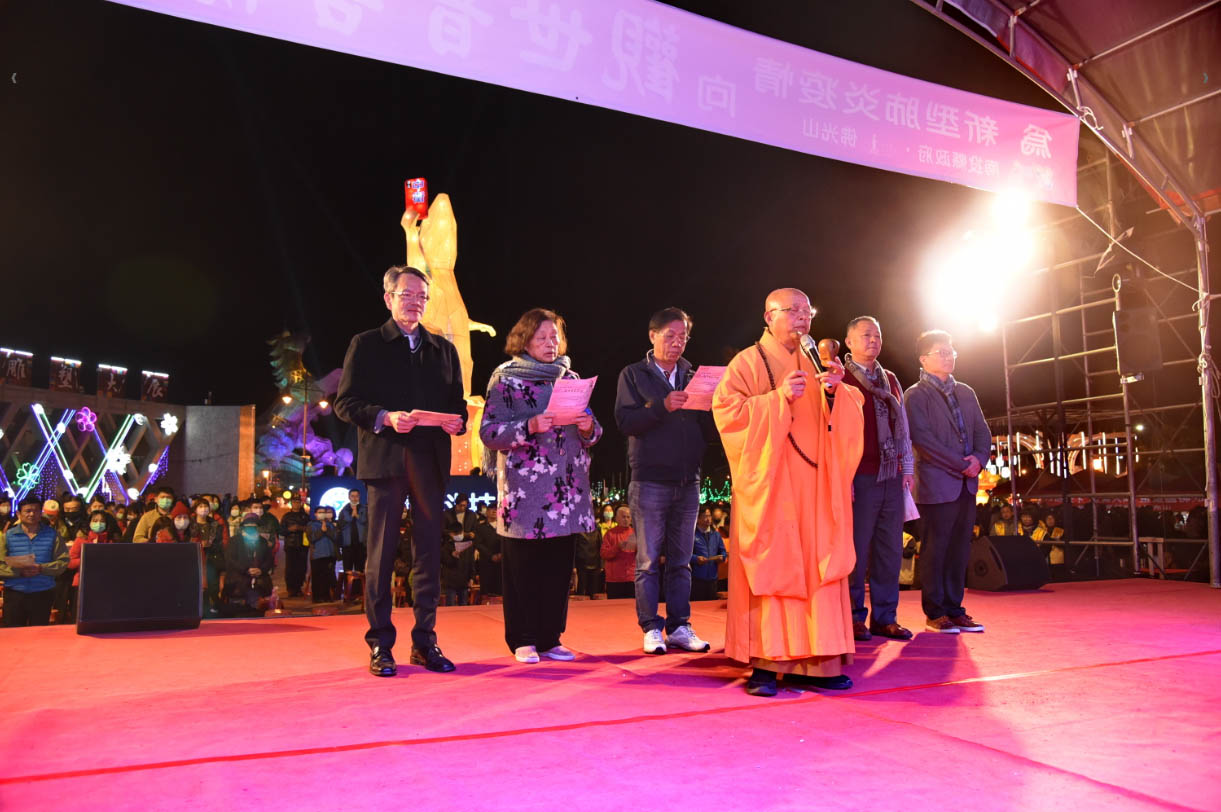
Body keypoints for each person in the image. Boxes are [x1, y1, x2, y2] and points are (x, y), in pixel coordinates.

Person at [712, 287, 865, 697]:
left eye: (807, 311)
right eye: (793, 310)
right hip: (771, 484)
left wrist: (835, 390)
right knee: (774, 566)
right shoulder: (747, 362)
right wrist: (777, 399)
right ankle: (767, 663)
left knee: (819, 567)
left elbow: (846, 414)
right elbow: (726, 413)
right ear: (769, 317)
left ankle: (816, 663)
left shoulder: (819, 360)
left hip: (816, 485)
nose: (802, 317)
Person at [333, 265, 466, 677]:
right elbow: (345, 402)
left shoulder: (443, 350)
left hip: (429, 463)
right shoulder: (366, 344)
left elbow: (458, 405)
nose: (415, 303)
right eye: (407, 295)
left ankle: (425, 641)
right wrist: (385, 417)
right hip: (386, 461)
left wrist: (457, 421)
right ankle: (380, 644)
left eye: (422, 296)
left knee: (428, 555)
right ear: (388, 298)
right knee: (381, 555)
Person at [479, 307, 602, 664]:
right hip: (526, 493)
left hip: (567, 491)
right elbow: (489, 433)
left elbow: (594, 432)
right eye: (542, 337)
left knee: (559, 568)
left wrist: (587, 427)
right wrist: (529, 426)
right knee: (523, 568)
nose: (551, 344)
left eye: (555, 337)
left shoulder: (570, 378)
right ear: (524, 340)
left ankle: (550, 637)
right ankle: (523, 638)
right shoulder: (506, 379)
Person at [614, 306, 718, 655]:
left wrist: (714, 405)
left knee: (681, 561)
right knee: (647, 561)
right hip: (650, 481)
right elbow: (625, 422)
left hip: (688, 480)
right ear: (652, 336)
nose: (677, 343)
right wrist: (662, 406)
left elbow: (709, 433)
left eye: (683, 337)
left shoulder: (694, 375)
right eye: (670, 336)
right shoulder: (633, 375)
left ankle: (679, 626)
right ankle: (650, 627)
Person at [905, 330, 991, 634]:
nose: (948, 356)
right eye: (941, 352)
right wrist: (962, 465)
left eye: (951, 351)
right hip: (937, 485)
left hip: (967, 484)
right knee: (935, 549)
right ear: (923, 359)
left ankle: (956, 609)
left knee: (959, 550)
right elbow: (923, 440)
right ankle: (936, 612)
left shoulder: (966, 392)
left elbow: (982, 431)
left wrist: (979, 459)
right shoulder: (915, 395)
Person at [842, 315, 916, 642]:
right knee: (856, 552)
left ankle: (886, 617)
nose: (873, 340)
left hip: (891, 474)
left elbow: (904, 425)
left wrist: (908, 468)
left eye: (877, 335)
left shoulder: (890, 378)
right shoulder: (841, 377)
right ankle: (853, 617)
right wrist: (842, 476)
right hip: (859, 475)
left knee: (890, 551)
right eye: (866, 335)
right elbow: (833, 431)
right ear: (849, 342)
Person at [1, 496, 70, 626]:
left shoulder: (53, 535)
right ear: (18, 514)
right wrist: (18, 572)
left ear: (41, 513)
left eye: (36, 510)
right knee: (13, 633)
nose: (32, 514)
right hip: (15, 593)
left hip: (42, 592)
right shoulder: (8, 536)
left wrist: (41, 568)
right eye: (28, 511)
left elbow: (63, 562)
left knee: (39, 633)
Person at [225, 513, 275, 616]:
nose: (251, 530)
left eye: (254, 527)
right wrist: (246, 569)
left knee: (259, 606)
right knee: (238, 607)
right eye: (248, 527)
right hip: (239, 577)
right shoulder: (234, 541)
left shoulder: (262, 541)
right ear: (243, 528)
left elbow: (269, 559)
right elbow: (231, 559)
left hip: (259, 577)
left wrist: (261, 570)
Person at [187, 497, 226, 615]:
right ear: (195, 509)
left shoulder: (215, 525)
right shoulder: (190, 524)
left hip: (211, 558)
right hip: (194, 559)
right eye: (200, 506)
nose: (203, 509)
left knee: (211, 585)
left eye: (206, 506)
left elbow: (219, 543)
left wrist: (209, 545)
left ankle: (211, 609)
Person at [68, 510, 116, 592]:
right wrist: (85, 559)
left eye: (102, 521)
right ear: (89, 523)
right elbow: (69, 563)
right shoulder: (81, 539)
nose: (98, 524)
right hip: (83, 581)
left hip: (104, 582)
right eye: (95, 521)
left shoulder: (110, 541)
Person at [690, 507, 727, 601]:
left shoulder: (716, 534)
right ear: (698, 519)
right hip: (697, 579)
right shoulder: (692, 535)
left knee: (711, 606)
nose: (708, 519)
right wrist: (695, 558)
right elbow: (685, 555)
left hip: (713, 579)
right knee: (698, 606)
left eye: (709, 516)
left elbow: (723, 552)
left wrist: (722, 557)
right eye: (704, 516)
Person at [600, 505, 637, 599]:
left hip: (631, 577)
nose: (626, 519)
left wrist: (639, 549)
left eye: (628, 517)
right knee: (615, 606)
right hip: (614, 579)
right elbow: (604, 554)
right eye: (623, 517)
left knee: (631, 606)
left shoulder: (635, 533)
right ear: (616, 518)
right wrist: (617, 547)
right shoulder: (610, 534)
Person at [306, 504, 340, 603]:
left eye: (324, 512)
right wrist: (321, 531)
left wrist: (326, 530)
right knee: (317, 577)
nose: (322, 514)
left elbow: (335, 537)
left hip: (329, 554)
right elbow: (311, 538)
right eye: (320, 512)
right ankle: (317, 597)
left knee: (327, 577)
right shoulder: (311, 525)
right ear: (315, 514)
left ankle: (326, 596)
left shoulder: (330, 525)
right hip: (317, 555)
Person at [280, 495, 310, 597]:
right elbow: (281, 531)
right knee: (290, 568)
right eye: (294, 502)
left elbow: (310, 529)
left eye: (298, 502)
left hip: (303, 545)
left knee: (301, 568)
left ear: (301, 503)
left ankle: (298, 587)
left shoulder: (305, 516)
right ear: (291, 503)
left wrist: (300, 528)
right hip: (290, 545)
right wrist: (289, 529)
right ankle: (290, 588)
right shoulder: (286, 516)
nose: (296, 504)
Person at [440, 519, 475, 606]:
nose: (458, 535)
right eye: (455, 534)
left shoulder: (468, 545)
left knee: (463, 605)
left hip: (464, 581)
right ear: (450, 534)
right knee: (450, 605)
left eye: (460, 533)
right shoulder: (446, 546)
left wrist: (471, 577)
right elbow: (446, 562)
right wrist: (453, 557)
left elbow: (471, 562)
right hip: (450, 582)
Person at [472, 504, 503, 600]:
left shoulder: (503, 526)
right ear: (486, 512)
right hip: (486, 562)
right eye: (491, 509)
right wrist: (491, 556)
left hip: (501, 562)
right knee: (487, 591)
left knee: (501, 590)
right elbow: (478, 544)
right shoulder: (480, 527)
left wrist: (501, 554)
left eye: (496, 509)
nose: (494, 511)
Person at [337, 488, 368, 574]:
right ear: (349, 497)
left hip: (361, 545)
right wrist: (351, 516)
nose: (354, 498)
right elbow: (340, 525)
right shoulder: (344, 510)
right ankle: (347, 583)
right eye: (352, 496)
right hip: (347, 545)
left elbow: (366, 522)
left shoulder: (364, 509)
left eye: (356, 496)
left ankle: (358, 583)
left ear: (359, 497)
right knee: (347, 570)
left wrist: (357, 515)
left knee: (360, 570)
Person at [574, 516, 603, 599]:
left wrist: (601, 564)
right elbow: (574, 549)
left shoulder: (597, 529)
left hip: (595, 562)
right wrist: (574, 566)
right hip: (581, 564)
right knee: (581, 591)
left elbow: (600, 546)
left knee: (593, 592)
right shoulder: (577, 530)